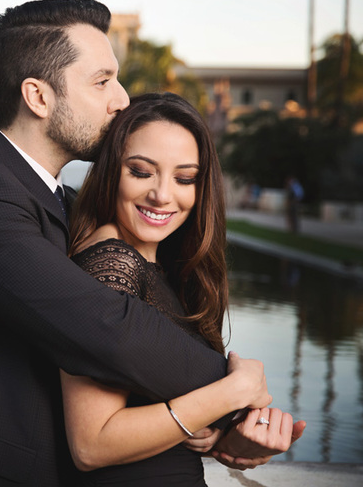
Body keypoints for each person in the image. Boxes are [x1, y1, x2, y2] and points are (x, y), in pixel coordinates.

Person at [0, 0, 298, 487]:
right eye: (102, 81)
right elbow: (108, 327)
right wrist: (236, 395)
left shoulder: (62, 202)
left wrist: (210, 423)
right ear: (38, 97)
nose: (122, 99)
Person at [63, 92, 305, 486]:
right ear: (110, 171)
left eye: (184, 178)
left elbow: (157, 407)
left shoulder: (163, 263)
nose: (162, 195)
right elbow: (92, 444)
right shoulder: (111, 262)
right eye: (141, 171)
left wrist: (222, 438)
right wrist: (233, 392)